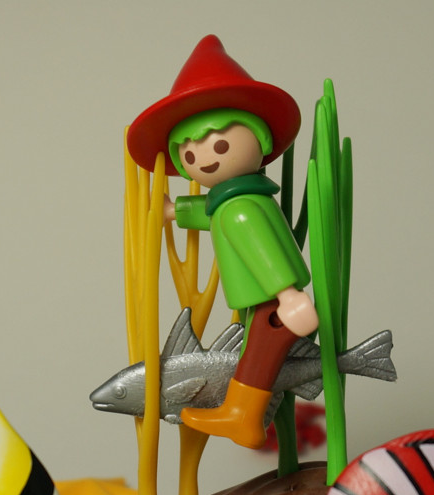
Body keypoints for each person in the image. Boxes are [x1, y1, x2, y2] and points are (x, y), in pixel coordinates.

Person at [127, 36, 317, 449]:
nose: (205, 158)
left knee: (257, 358)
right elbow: (210, 213)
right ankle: (242, 414)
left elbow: (264, 253)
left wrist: (288, 295)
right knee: (255, 355)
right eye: (189, 156)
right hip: (265, 300)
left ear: (260, 140)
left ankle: (243, 417)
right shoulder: (233, 203)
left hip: (275, 301)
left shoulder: (241, 210)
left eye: (220, 145)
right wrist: (174, 211)